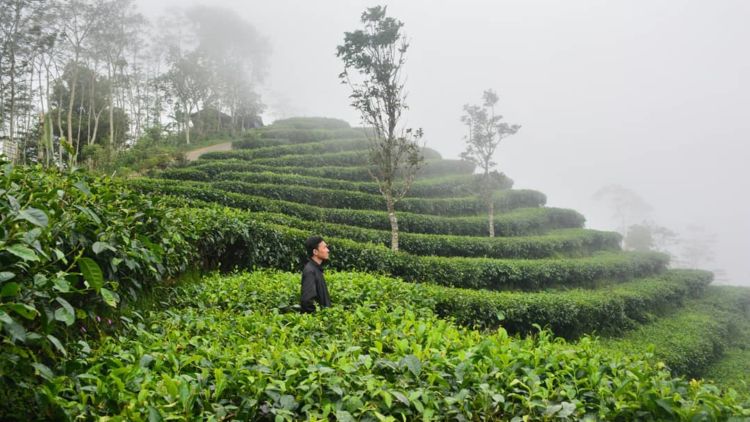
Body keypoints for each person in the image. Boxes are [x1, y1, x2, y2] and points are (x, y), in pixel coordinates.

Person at [300, 236, 331, 313]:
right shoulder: (310, 271)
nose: (328, 250)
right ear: (315, 252)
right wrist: (318, 317)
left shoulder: (316, 269)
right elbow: (307, 301)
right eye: (324, 248)